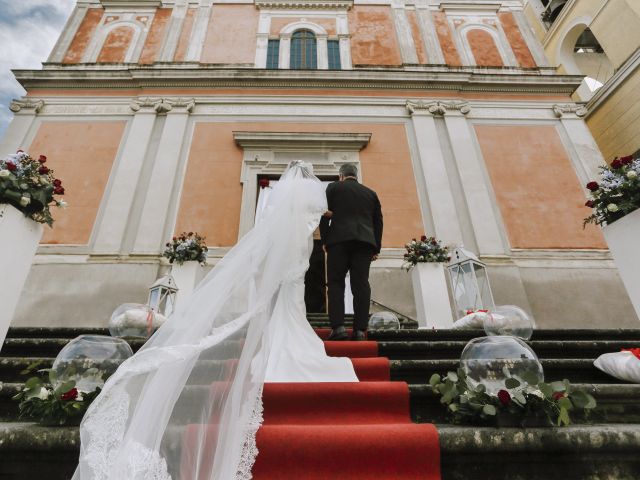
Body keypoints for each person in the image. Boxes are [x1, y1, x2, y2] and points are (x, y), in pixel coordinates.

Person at [72, 161, 357, 480]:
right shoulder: (311, 207)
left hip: (288, 267)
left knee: (285, 314)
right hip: (299, 267)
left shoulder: (280, 210)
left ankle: (277, 347)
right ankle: (289, 347)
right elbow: (315, 223)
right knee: (293, 311)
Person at [320, 163, 383, 341]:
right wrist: (376, 247)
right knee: (361, 285)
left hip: (338, 241)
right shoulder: (370, 193)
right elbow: (378, 222)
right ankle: (360, 331)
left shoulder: (332, 188)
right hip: (364, 243)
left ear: (341, 175)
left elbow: (323, 214)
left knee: (335, 283)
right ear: (356, 175)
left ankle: (339, 327)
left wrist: (325, 240)